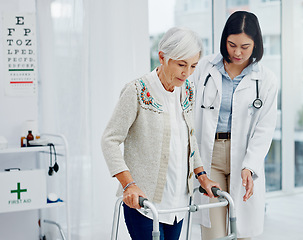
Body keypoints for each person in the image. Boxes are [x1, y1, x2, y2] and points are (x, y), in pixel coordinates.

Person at [101, 27, 220, 240]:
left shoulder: (188, 90)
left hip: (178, 201)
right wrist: (128, 184)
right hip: (144, 202)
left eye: (193, 65)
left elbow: (189, 139)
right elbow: (109, 140)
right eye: (181, 64)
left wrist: (202, 176)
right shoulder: (137, 91)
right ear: (162, 57)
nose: (187, 72)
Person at [190, 11, 278, 240]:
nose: (237, 52)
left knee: (243, 231)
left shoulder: (266, 79)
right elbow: (187, 108)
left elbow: (265, 129)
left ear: (256, 44)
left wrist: (250, 165)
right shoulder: (204, 68)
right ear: (224, 41)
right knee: (213, 233)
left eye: (245, 46)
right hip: (210, 156)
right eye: (232, 45)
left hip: (244, 158)